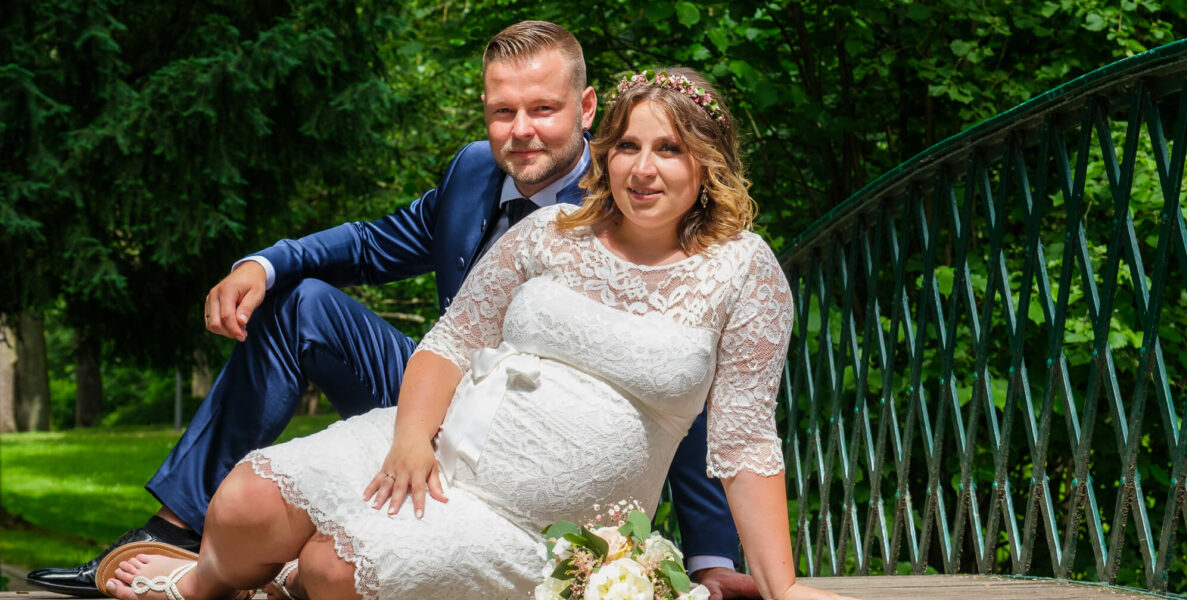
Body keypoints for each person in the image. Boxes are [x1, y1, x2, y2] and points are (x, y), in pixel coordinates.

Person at [26, 21, 753, 600]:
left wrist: (711, 554)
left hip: (541, 455)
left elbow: (679, 388)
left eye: (543, 109)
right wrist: (264, 261)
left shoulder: (633, 198)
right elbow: (373, 244)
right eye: (503, 110)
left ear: (586, 109)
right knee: (301, 302)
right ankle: (178, 529)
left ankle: (291, 571)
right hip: (439, 392)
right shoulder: (473, 170)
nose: (521, 130)